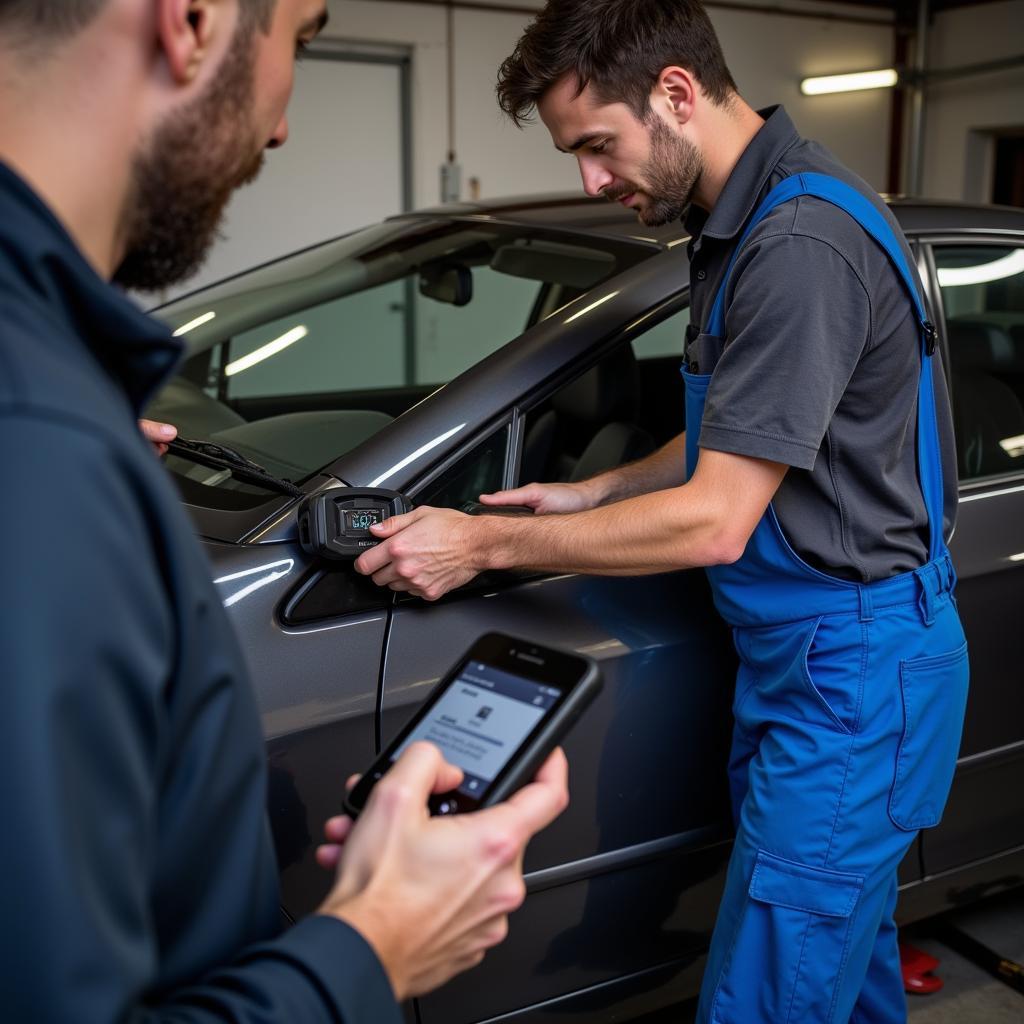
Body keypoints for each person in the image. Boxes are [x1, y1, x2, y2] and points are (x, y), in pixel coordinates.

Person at [354, 1, 970, 1021]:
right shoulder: (744, 220)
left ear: (676, 93)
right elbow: (758, 427)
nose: (592, 180)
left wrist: (482, 541)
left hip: (851, 678)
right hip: (811, 664)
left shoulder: (799, 241)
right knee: (838, 983)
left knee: (763, 1001)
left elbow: (716, 518)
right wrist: (597, 488)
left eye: (598, 145)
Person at [0, 1, 568, 1021]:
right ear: (194, 18)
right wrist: (378, 944)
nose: (279, 127)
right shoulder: (40, 444)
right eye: (298, 42)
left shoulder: (50, 413)